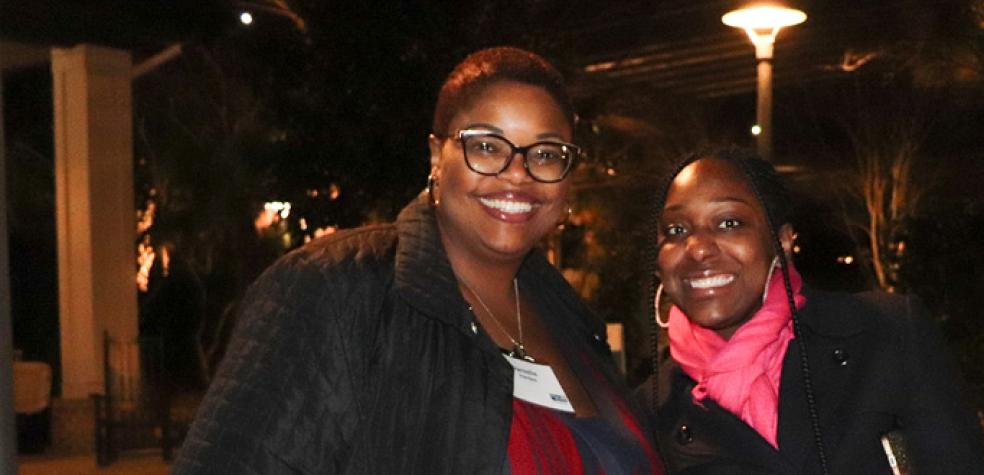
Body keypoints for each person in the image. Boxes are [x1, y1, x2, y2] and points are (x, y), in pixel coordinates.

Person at [174, 47, 660, 474]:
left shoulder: (571, 320)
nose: (517, 174)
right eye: (486, 146)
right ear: (435, 155)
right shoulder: (338, 290)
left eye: (547, 153)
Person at [640, 147, 984, 474]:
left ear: (784, 240)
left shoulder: (887, 333)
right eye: (676, 229)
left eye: (730, 222)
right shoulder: (648, 412)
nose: (698, 248)